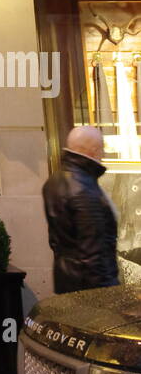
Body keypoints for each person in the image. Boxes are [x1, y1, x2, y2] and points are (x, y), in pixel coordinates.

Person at [42, 125, 119, 295]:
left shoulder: (54, 182)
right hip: (89, 290)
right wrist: (109, 295)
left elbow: (56, 241)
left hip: (66, 279)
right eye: (102, 149)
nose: (103, 155)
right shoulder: (85, 191)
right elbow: (94, 253)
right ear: (93, 150)